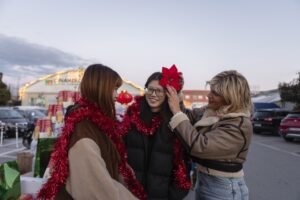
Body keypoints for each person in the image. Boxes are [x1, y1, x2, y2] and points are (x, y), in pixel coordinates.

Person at [37, 64, 137, 200]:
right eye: (114, 89)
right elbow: (100, 190)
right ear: (100, 89)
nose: (116, 95)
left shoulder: (98, 124)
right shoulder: (85, 130)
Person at [166, 70, 252, 200]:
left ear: (231, 97)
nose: (208, 95)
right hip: (205, 179)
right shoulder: (212, 111)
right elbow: (187, 117)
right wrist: (177, 91)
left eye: (215, 93)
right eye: (210, 90)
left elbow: (200, 147)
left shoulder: (239, 124)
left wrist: (177, 112)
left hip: (224, 187)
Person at [122, 69, 191, 200]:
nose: (153, 94)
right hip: (131, 193)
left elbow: (183, 163)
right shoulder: (132, 115)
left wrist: (174, 195)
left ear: (167, 93)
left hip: (162, 195)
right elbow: (120, 152)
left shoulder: (176, 120)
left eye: (158, 91)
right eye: (150, 89)